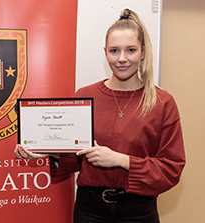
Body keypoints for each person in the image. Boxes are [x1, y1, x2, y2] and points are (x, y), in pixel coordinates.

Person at [15, 8, 185, 223]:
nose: (122, 58)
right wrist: (47, 151)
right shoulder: (84, 96)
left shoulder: (162, 102)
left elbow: (171, 168)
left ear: (142, 52)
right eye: (114, 51)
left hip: (139, 212)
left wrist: (121, 160)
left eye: (130, 50)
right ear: (105, 52)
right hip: (89, 210)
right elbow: (79, 157)